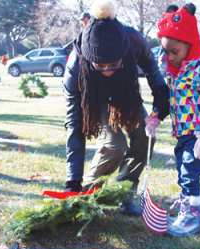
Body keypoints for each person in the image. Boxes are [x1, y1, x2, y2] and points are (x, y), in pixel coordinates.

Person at [63, 0, 169, 216]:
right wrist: (72, 181)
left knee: (145, 137)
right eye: (99, 65)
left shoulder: (132, 39)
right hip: (95, 101)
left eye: (113, 64)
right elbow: (74, 125)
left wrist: (160, 90)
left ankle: (124, 192)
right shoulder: (75, 66)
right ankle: (85, 195)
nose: (108, 70)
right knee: (114, 146)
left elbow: (150, 64)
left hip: (125, 95)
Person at [146, 4, 200, 236]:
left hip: (199, 132)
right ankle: (186, 203)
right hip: (182, 132)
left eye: (175, 51)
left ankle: (193, 215)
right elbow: (170, 98)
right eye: (166, 52)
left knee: (190, 170)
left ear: (190, 42)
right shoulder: (176, 69)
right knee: (183, 169)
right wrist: (156, 117)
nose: (170, 57)